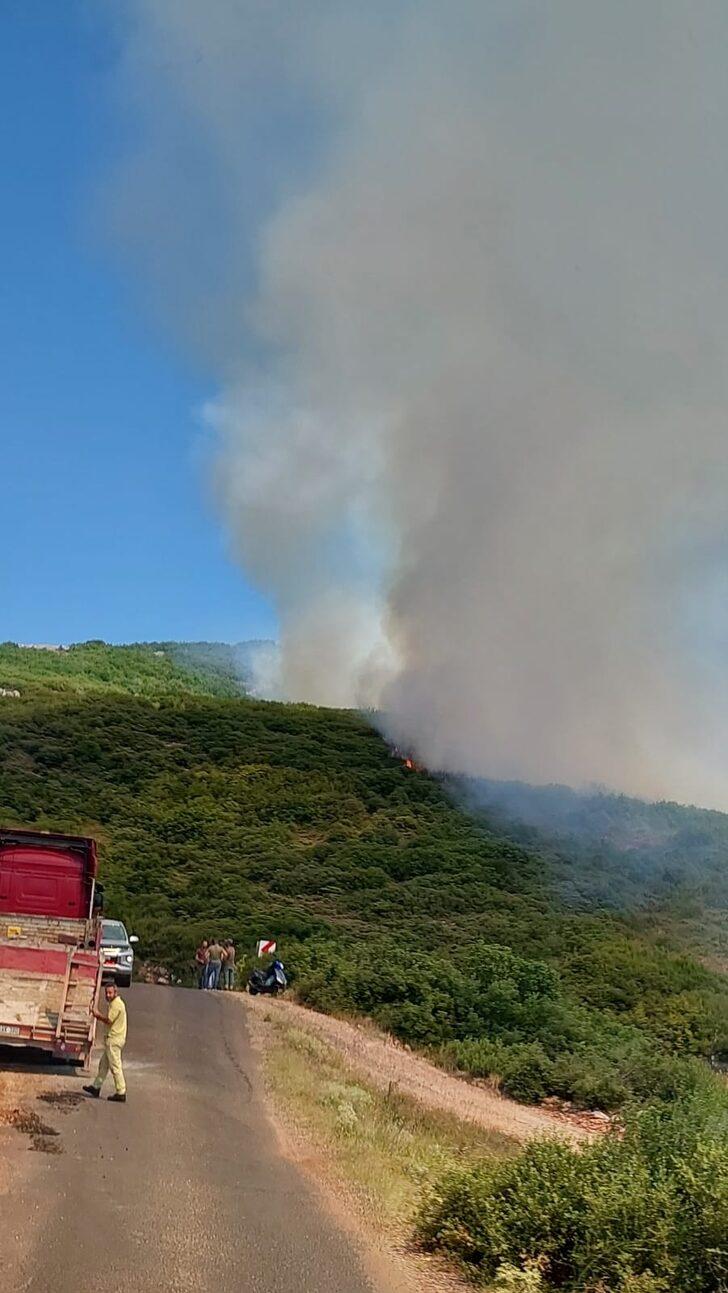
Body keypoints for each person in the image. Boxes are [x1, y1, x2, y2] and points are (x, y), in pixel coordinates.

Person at [83, 983, 128, 1103]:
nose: (108, 995)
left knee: (115, 1066)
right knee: (104, 1064)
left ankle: (121, 1092)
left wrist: (97, 1014)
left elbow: (109, 1020)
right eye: (106, 993)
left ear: (115, 992)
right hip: (113, 1039)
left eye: (110, 993)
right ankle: (96, 1087)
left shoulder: (117, 1005)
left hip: (114, 1040)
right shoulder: (115, 1003)